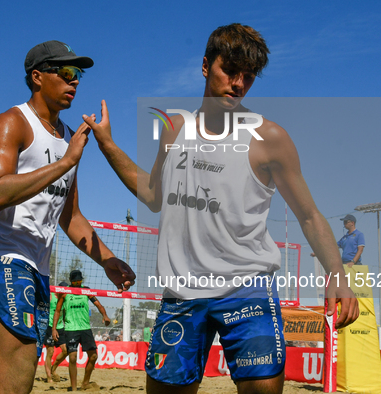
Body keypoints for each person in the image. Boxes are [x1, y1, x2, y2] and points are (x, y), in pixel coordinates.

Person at [83, 23, 359, 394]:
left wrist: (336, 274)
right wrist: (107, 145)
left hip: (248, 287)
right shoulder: (176, 128)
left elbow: (309, 215)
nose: (239, 83)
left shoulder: (269, 138)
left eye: (248, 76)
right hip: (183, 290)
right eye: (230, 70)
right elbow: (152, 194)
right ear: (204, 66)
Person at [0, 41, 136, 394]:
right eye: (67, 72)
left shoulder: (68, 138)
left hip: (38, 267)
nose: (75, 81)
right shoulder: (13, 122)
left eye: (79, 75)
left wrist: (107, 260)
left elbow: (70, 215)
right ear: (38, 77)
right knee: (20, 374)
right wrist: (64, 163)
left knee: (16, 377)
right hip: (1, 258)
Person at [53, 270, 111, 391]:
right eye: (75, 281)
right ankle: (74, 389)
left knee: (94, 356)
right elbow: (57, 311)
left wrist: (105, 315)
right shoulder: (65, 292)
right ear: (71, 281)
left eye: (79, 280)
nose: (78, 283)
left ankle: (85, 383)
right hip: (71, 329)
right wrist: (54, 329)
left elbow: (98, 304)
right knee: (73, 358)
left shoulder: (86, 290)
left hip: (85, 328)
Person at [43, 281, 69, 383]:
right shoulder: (51, 296)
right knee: (50, 352)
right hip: (49, 327)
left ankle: (54, 369)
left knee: (66, 350)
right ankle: (49, 377)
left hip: (60, 327)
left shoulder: (65, 299)